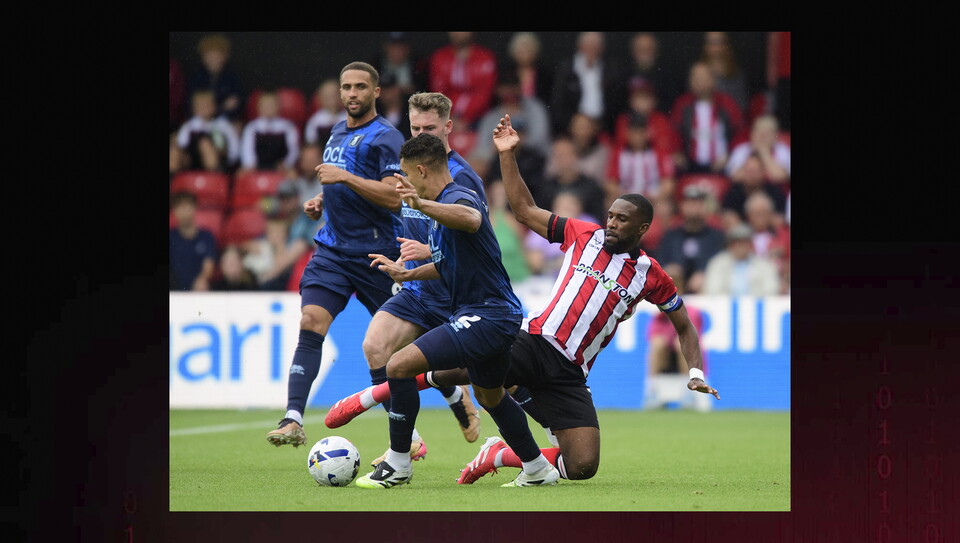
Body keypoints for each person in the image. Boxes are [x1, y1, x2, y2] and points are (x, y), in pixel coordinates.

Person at [328, 115, 719, 486]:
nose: (612, 223)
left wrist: (696, 372)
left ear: (643, 227)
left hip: (571, 371)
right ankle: (372, 395)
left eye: (622, 220)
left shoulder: (651, 274)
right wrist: (507, 155)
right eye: (611, 215)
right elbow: (525, 210)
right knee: (459, 369)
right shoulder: (585, 235)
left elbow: (684, 325)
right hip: (535, 339)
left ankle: (500, 454)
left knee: (582, 466)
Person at [354, 133, 553, 489]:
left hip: (487, 315)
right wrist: (408, 274)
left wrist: (420, 203)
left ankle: (398, 463)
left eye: (405, 175)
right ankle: (537, 468)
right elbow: (448, 263)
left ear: (420, 171)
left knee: (398, 366)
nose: (403, 184)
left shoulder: (457, 196)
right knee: (490, 395)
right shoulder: (439, 207)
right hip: (495, 314)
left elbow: (471, 218)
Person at [337, 91, 491, 465]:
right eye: (416, 128)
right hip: (418, 289)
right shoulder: (405, 168)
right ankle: (406, 443)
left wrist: (429, 250)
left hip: (457, 295)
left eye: (430, 129)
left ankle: (547, 434)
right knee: (375, 347)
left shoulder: (462, 177)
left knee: (498, 380)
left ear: (448, 127)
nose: (422, 135)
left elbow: (477, 239)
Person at [265, 61, 407, 448]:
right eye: (347, 87)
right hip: (333, 250)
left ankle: (448, 398)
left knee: (398, 347)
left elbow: (393, 197)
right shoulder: (337, 131)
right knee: (311, 321)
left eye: (360, 87)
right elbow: (341, 186)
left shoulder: (387, 137)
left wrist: (342, 178)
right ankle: (293, 418)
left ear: (376, 92)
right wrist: (321, 200)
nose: (352, 94)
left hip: (377, 254)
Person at [669, 61, 744, 175]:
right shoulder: (682, 104)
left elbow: (740, 133)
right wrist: (677, 152)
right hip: (690, 166)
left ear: (713, 80)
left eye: (703, 77)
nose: (698, 81)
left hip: (722, 166)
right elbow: (674, 133)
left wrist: (730, 155)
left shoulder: (727, 104)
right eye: (695, 77)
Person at [549, 31, 627, 137]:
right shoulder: (566, 69)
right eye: (588, 45)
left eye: (595, 46)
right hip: (571, 129)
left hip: (603, 129)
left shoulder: (612, 69)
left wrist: (598, 124)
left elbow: (617, 102)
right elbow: (558, 103)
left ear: (602, 48)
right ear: (580, 46)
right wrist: (574, 123)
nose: (591, 49)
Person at [470, 70, 552, 170]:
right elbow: (482, 147)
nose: (509, 92)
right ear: (498, 90)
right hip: (498, 162)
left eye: (512, 87)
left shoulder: (534, 108)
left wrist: (515, 142)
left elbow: (539, 139)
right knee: (476, 164)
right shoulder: (492, 116)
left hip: (533, 159)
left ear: (519, 88)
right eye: (505, 88)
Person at [653, 185, 726, 294]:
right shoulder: (671, 236)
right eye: (690, 203)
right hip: (675, 290)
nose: (694, 208)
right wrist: (670, 270)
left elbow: (722, 262)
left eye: (698, 203)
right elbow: (659, 262)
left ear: (705, 207)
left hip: (707, 290)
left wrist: (705, 272)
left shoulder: (716, 237)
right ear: (682, 207)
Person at [605, 112, 676, 212]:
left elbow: (668, 183)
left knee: (664, 208)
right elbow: (610, 183)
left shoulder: (659, 153)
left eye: (641, 133)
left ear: (648, 133)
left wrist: (654, 197)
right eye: (634, 133)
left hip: (653, 199)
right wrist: (626, 197)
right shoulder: (618, 154)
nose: (638, 137)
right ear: (627, 133)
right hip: (626, 198)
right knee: (610, 204)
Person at [427, 32, 498, 129]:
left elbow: (485, 93)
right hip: (445, 116)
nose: (457, 33)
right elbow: (438, 92)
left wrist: (467, 119)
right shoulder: (440, 57)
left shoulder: (485, 57)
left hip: (478, 118)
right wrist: (450, 117)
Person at [537, 137, 606, 226]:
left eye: (565, 155)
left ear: (575, 156)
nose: (561, 160)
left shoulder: (591, 187)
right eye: (557, 156)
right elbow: (539, 218)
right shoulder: (545, 187)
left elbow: (598, 219)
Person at [185, 34, 245, 132]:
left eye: (217, 55)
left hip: (226, 121)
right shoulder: (196, 78)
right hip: (200, 121)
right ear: (203, 57)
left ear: (225, 56)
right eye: (209, 55)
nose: (214, 59)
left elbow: (237, 105)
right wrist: (221, 106)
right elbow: (191, 105)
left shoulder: (233, 78)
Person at [702, 222, 779, 297]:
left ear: (750, 244)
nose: (741, 246)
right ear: (730, 244)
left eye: (745, 242)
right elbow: (712, 289)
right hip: (724, 304)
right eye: (737, 242)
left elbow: (772, 290)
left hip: (756, 304)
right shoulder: (718, 263)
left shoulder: (763, 265)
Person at [175, 89, 241, 173]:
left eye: (207, 105)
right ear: (194, 109)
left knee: (205, 144)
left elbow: (234, 149)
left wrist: (228, 159)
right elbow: (181, 146)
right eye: (200, 106)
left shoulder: (223, 125)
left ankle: (215, 176)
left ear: (214, 106)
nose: (204, 108)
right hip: (192, 163)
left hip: (219, 163)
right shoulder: (188, 127)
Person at [720, 152, 787, 230]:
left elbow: (780, 217)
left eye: (755, 171)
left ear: (763, 172)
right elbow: (727, 214)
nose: (752, 175)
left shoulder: (774, 191)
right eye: (749, 171)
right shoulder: (734, 191)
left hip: (770, 232)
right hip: (742, 233)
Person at [239, 90, 300, 173]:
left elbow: (293, 151)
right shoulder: (252, 127)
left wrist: (286, 164)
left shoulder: (288, 127)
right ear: (259, 107)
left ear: (278, 106)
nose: (268, 108)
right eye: (265, 105)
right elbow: (247, 151)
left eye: (271, 105)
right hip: (256, 167)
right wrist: (250, 164)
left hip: (281, 168)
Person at [624, 32, 683, 116]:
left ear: (656, 51)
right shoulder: (623, 76)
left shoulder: (667, 77)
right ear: (633, 52)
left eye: (648, 49)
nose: (644, 54)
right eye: (640, 50)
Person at [169, 191, 217, 291]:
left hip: (198, 290)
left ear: (195, 208)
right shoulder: (171, 237)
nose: (184, 212)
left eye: (187, 207)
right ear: (174, 211)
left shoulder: (206, 236)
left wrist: (202, 279)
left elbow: (208, 265)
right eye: (180, 208)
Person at [724, 114, 790, 185]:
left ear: (775, 135)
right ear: (752, 133)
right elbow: (735, 176)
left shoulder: (783, 151)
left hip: (775, 190)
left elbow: (781, 177)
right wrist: (752, 153)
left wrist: (764, 153)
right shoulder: (742, 149)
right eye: (759, 131)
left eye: (767, 132)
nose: (762, 136)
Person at [369, 32, 428, 103]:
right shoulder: (375, 65)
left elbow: (425, 92)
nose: (397, 51)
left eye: (401, 47)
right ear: (385, 47)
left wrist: (401, 91)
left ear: (408, 48)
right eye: (393, 47)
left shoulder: (419, 65)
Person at [699, 32, 749, 112]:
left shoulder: (736, 73)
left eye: (718, 42)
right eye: (711, 42)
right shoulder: (699, 73)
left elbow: (742, 105)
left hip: (731, 116)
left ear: (726, 45)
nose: (715, 47)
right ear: (705, 46)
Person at [504, 32, 552, 107]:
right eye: (521, 50)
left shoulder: (544, 74)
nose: (525, 54)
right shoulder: (507, 73)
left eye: (528, 50)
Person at [304, 78, 347, 147]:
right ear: (320, 98)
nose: (331, 99)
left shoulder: (348, 117)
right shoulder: (315, 121)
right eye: (327, 96)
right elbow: (311, 146)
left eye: (334, 95)